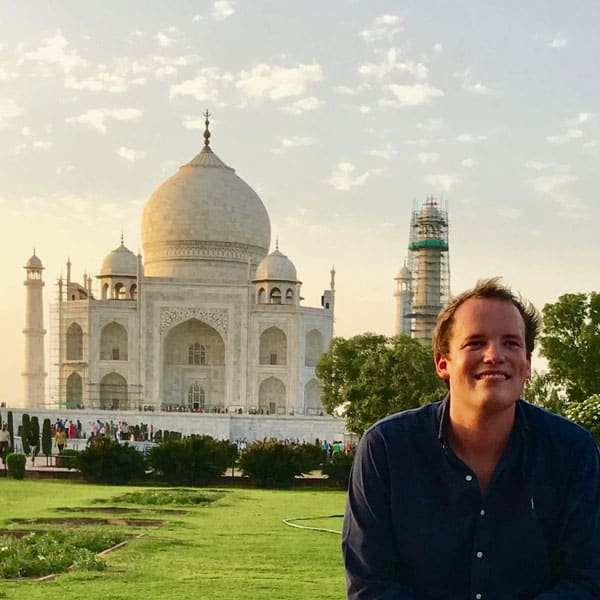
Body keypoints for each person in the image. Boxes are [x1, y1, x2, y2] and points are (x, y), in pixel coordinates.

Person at [343, 278, 600, 599]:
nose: (494, 355)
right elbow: (372, 583)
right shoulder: (387, 449)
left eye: (511, 343)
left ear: (528, 364)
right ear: (442, 363)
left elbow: (586, 580)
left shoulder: (571, 451)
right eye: (475, 343)